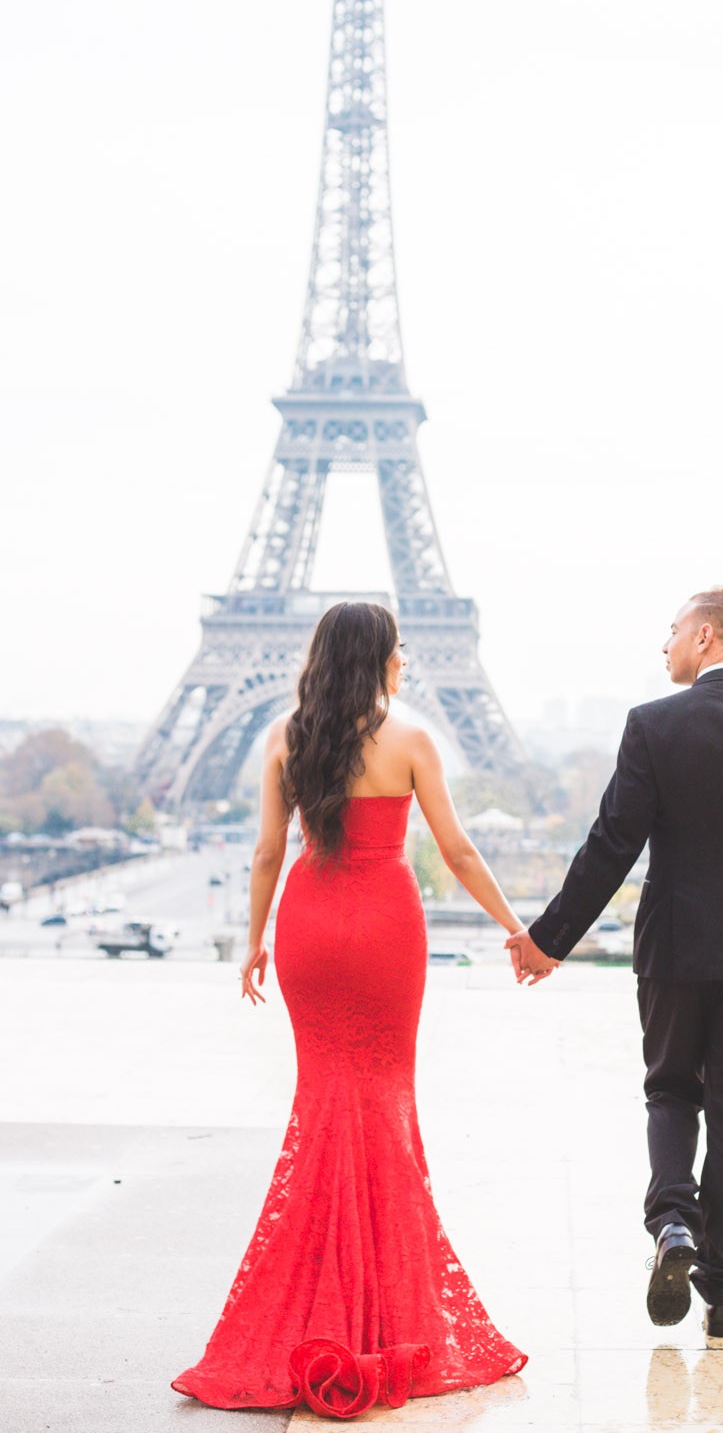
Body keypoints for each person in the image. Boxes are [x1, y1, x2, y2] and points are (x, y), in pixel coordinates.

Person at [173, 601, 527, 1417]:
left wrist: (256, 939)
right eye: (398, 650)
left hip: (308, 922)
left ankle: (316, 1292)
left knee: (322, 1098)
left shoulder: (284, 740)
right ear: (378, 658)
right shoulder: (409, 740)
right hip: (384, 928)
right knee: (385, 1102)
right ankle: (380, 1308)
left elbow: (268, 851)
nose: (406, 660)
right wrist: (514, 926)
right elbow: (457, 849)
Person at [506, 587, 723, 1338]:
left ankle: (672, 1225)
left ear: (703, 636)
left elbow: (612, 845)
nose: (662, 647)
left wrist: (549, 939)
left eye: (669, 633)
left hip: (672, 947)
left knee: (670, 1092)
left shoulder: (653, 726)